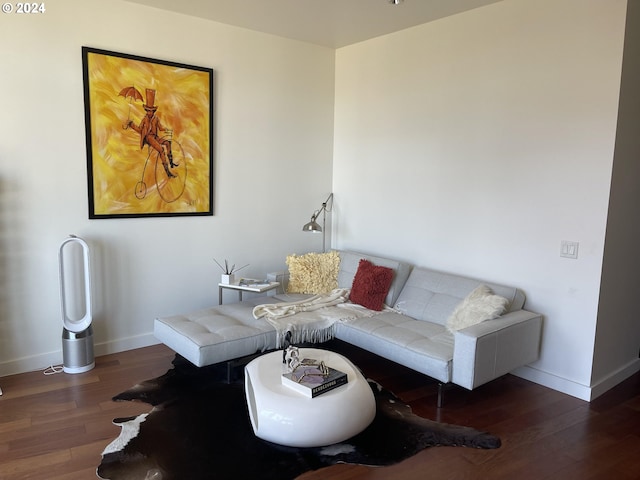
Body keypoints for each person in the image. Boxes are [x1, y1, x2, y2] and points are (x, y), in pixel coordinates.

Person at [126, 88, 178, 178]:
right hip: (149, 138)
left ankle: (171, 163)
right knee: (161, 150)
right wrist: (132, 125)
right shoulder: (145, 119)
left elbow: (160, 128)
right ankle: (168, 172)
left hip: (155, 136)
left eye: (151, 111)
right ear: (146, 110)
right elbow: (140, 130)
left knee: (167, 143)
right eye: (148, 110)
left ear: (153, 111)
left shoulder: (156, 119)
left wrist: (166, 129)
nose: (150, 112)